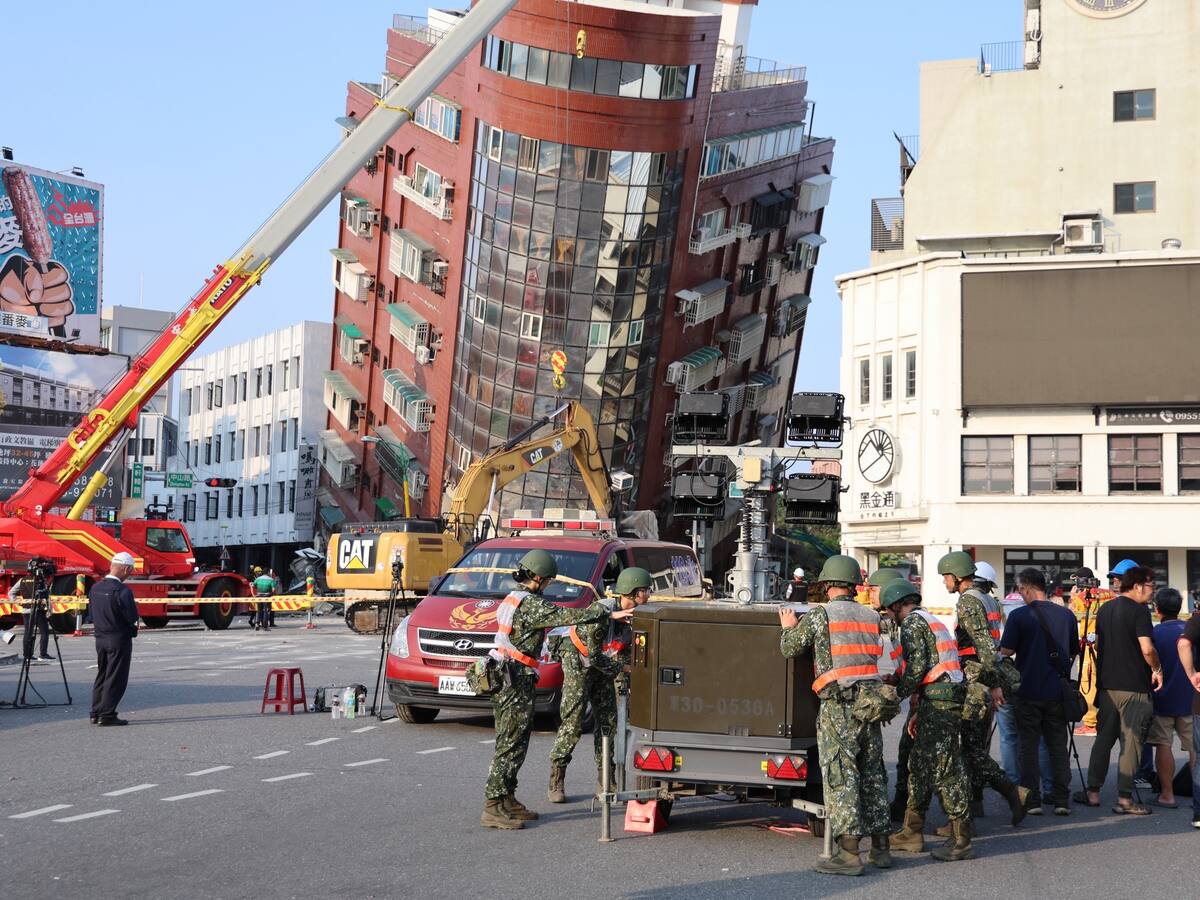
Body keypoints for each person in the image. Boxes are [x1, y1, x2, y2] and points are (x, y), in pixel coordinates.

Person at [479, 550, 632, 830]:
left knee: (517, 742)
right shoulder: (531, 604)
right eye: (547, 580)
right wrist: (605, 608)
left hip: (513, 676)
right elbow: (566, 615)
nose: (548, 584)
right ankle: (493, 806)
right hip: (513, 679)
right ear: (537, 577)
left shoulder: (514, 598)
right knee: (510, 744)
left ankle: (507, 799)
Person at [779, 555, 890, 876]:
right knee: (872, 772)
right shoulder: (871, 615)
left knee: (842, 774)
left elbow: (791, 649)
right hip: (870, 703)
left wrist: (787, 629)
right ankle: (881, 848)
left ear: (826, 584)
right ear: (854, 584)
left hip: (838, 704)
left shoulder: (820, 616)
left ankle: (849, 854)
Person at [883, 580, 974, 862]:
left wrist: (895, 695)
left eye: (889, 612)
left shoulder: (911, 623)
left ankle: (961, 840)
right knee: (920, 764)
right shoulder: (930, 619)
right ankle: (911, 832)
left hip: (941, 699)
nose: (889, 617)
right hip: (938, 697)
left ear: (898, 605)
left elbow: (918, 667)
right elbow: (929, 668)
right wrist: (918, 705)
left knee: (946, 768)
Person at [938, 551, 1030, 827]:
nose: (944, 583)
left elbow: (986, 650)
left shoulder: (968, 601)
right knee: (974, 745)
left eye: (945, 577)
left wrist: (993, 685)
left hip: (977, 679)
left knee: (970, 749)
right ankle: (973, 805)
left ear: (957, 576)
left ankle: (1012, 793)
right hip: (983, 678)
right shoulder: (988, 599)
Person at [547, 566, 651, 803]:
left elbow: (625, 653)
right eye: (645, 591)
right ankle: (556, 780)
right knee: (572, 722)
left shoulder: (634, 616)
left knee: (608, 723)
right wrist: (624, 669)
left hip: (603, 665)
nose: (648, 595)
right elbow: (594, 656)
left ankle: (606, 780)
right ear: (632, 592)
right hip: (578, 661)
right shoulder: (600, 612)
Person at [1078, 565, 1162, 814]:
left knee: (1103, 740)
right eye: (1150, 586)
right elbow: (1147, 649)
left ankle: (1093, 792)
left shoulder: (1105, 609)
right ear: (1137, 586)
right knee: (1131, 743)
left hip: (1107, 687)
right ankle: (1125, 799)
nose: (1152, 591)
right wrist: (1157, 669)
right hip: (1135, 687)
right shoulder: (1139, 612)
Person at [999, 568, 1078, 816]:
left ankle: (1031, 800)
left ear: (1025, 588)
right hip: (1057, 690)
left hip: (1028, 689)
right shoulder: (1067, 616)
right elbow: (1073, 649)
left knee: (1028, 746)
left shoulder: (1020, 616)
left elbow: (1007, 651)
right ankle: (1061, 798)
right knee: (1058, 744)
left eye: (1019, 589)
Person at [1074, 561, 1132, 735]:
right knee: (1102, 679)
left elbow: (1076, 619)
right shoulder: (1109, 594)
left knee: (1088, 682)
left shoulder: (1080, 598)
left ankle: (1091, 723)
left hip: (1088, 645)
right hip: (1106, 643)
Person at [1147, 587, 1193, 808]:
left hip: (1162, 699)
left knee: (1163, 745)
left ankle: (1167, 794)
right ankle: (1197, 793)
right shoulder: (1190, 631)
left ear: (1157, 610)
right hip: (1192, 699)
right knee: (1195, 748)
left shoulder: (1154, 635)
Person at [89, 552, 139, 726]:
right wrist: (133, 631)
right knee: (116, 677)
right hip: (118, 638)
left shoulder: (95, 588)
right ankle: (107, 714)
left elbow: (91, 615)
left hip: (100, 637)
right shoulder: (122, 590)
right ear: (125, 568)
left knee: (102, 674)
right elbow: (131, 617)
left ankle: (95, 712)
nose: (130, 574)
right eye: (130, 570)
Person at [1175, 610, 1200, 828]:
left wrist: (1192, 673)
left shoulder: (1197, 621)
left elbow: (1183, 645)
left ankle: (1199, 813)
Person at [251, 566, 275, 632]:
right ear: (268, 572)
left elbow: (252, 586)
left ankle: (257, 624)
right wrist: (271, 594)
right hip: (267, 596)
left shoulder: (258, 579)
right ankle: (265, 626)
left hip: (258, 596)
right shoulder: (271, 580)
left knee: (259, 610)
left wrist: (254, 595)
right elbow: (273, 589)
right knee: (266, 611)